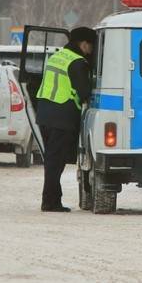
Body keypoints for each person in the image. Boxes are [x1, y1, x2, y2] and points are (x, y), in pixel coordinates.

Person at [36, 26, 95, 212]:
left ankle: (52, 199)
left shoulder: (58, 56)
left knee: (52, 161)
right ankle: (50, 202)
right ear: (84, 44)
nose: (92, 50)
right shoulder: (77, 62)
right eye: (92, 46)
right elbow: (84, 91)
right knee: (56, 162)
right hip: (61, 116)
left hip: (45, 114)